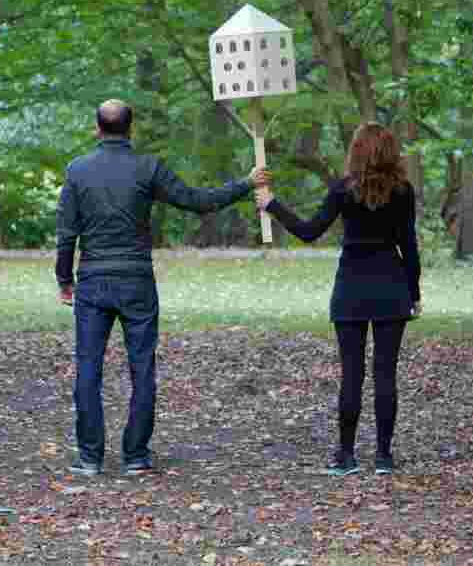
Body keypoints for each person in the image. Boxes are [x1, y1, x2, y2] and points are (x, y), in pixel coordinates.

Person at [56, 99, 269, 476]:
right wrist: (246, 183)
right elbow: (197, 201)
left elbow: (66, 233)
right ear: (131, 128)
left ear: (97, 128)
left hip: (93, 280)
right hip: (137, 280)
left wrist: (64, 279)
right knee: (142, 367)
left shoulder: (77, 170)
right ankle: (136, 456)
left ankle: (90, 457)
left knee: (88, 368)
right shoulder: (147, 167)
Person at [255, 122, 421, 476]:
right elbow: (409, 246)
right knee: (385, 374)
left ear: (356, 152)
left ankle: (346, 456)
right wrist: (414, 293)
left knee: (352, 374)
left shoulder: (343, 190)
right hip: (392, 287)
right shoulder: (403, 191)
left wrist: (272, 205)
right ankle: (383, 457)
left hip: (351, 289)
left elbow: (309, 231)